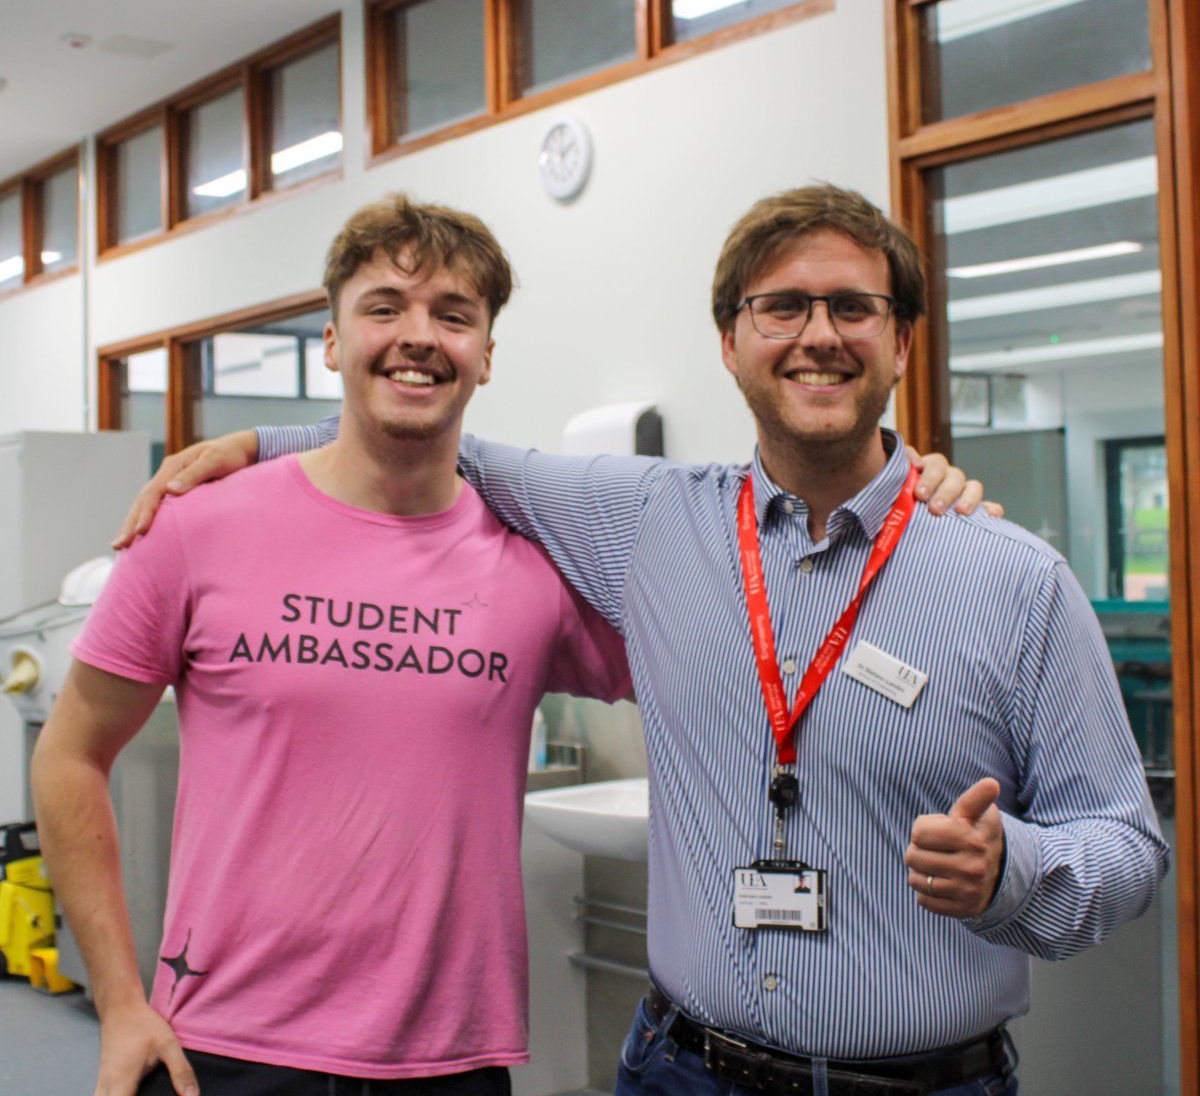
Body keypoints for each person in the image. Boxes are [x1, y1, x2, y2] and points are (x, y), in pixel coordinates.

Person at [117, 184, 1149, 1095]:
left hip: (924, 1084)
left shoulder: (1011, 579)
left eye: (853, 307)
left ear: (903, 341)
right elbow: (442, 442)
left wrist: (1013, 870)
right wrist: (258, 444)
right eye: (781, 306)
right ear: (731, 342)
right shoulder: (652, 520)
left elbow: (1126, 844)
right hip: (680, 1069)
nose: (818, 334)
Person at [31, 194, 636, 1096]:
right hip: (223, 1050)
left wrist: (909, 491)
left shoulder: (532, 567)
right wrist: (119, 1000)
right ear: (330, 339)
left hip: (448, 1062)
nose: (418, 336)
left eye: (453, 315)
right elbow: (70, 753)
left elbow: (712, 669)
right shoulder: (199, 527)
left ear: (487, 355)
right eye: (385, 307)